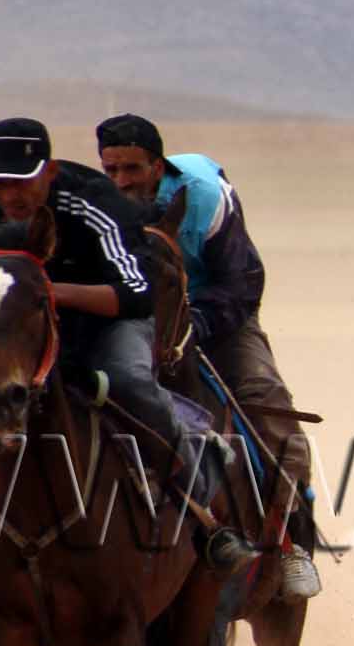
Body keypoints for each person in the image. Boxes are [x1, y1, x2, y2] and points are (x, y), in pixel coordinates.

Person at [0, 116, 255, 569]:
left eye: (22, 181)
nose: (10, 195)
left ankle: (206, 523)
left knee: (131, 382)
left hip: (108, 322)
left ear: (49, 172)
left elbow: (136, 294)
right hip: (19, 342)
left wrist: (50, 293)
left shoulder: (93, 201)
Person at [95, 113, 323, 598]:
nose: (121, 182)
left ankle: (292, 545)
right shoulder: (97, 208)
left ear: (159, 166)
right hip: (130, 322)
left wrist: (194, 327)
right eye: (111, 170)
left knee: (272, 410)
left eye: (132, 170)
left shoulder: (206, 197)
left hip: (214, 317)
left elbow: (243, 283)